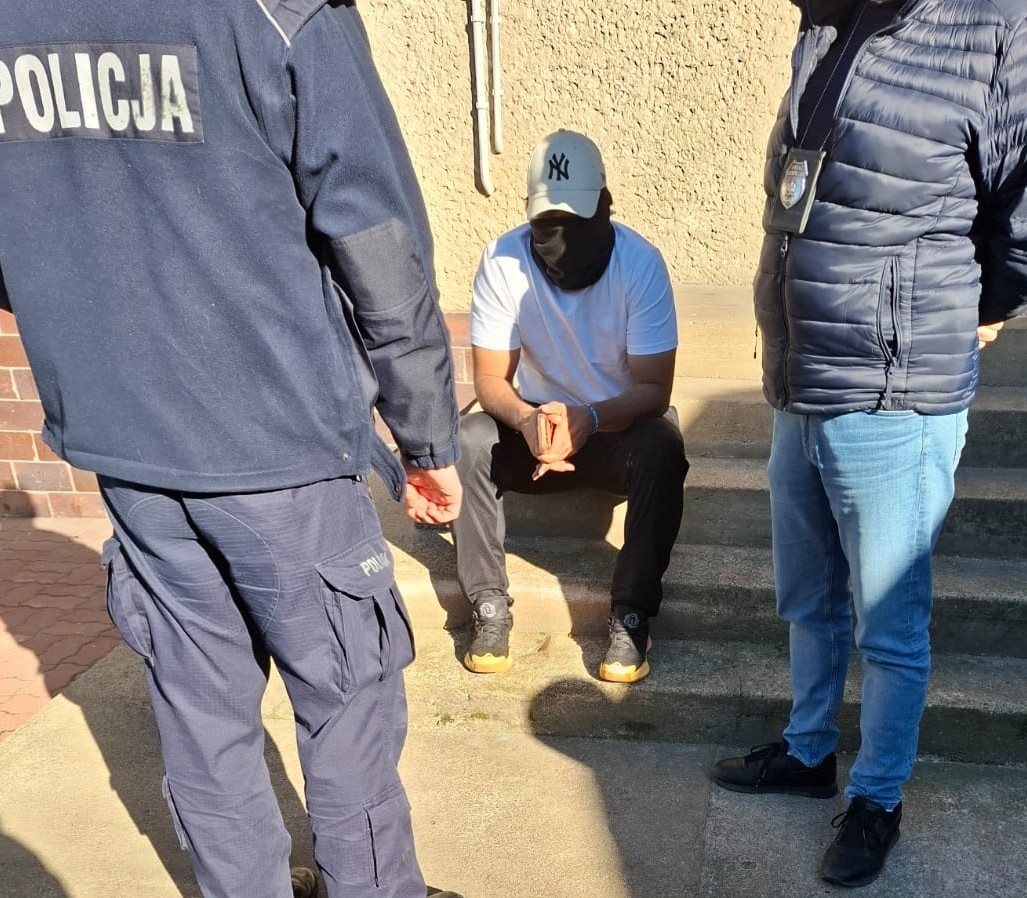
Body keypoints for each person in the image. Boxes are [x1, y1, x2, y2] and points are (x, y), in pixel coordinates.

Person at [0, 3, 466, 897]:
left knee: (203, 722)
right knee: (345, 704)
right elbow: (375, 234)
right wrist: (426, 434)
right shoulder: (276, 13)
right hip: (279, 438)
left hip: (128, 445)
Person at [713, 0, 1027, 888]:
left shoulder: (1008, 23)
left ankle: (877, 799)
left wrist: (970, 310)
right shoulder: (834, 15)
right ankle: (809, 751)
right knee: (807, 598)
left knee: (888, 624)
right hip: (801, 378)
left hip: (896, 393)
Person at [453, 130, 688, 684]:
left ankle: (632, 615)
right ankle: (488, 604)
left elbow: (655, 389)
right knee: (466, 441)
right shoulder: (503, 260)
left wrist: (592, 418)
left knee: (663, 446)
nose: (559, 239)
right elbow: (489, 379)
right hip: (534, 430)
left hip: (613, 426)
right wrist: (527, 419)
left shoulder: (640, 264)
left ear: (605, 206)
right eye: (546, 224)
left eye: (575, 221)